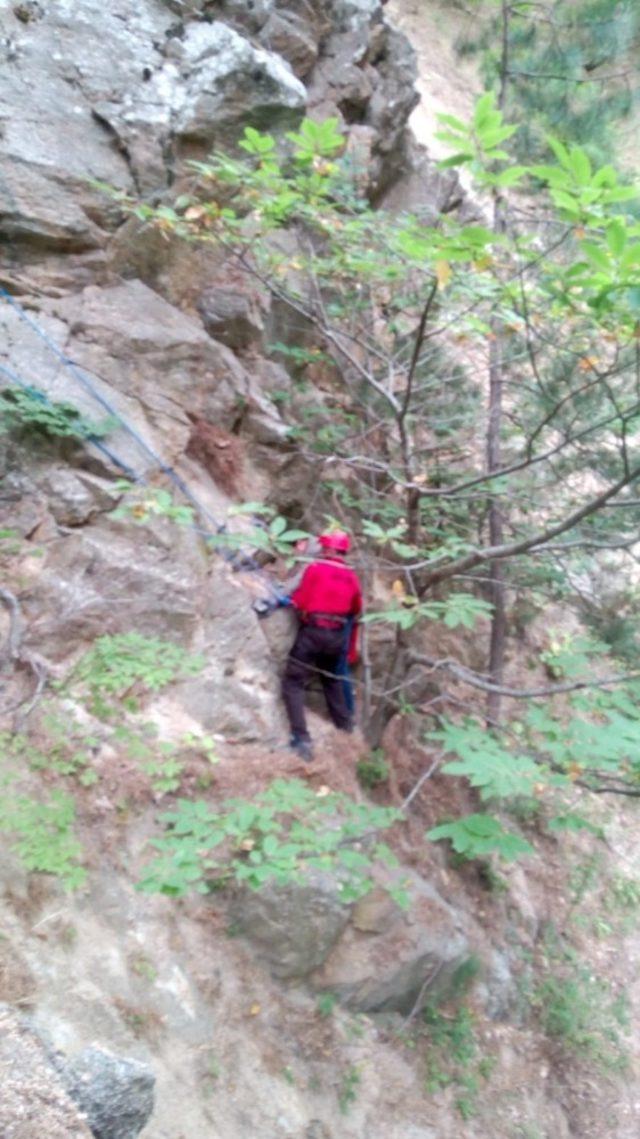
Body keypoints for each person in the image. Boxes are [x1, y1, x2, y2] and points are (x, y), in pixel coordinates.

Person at [281, 531, 362, 762]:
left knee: (293, 682)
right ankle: (345, 726)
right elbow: (356, 609)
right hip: (337, 637)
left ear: (331, 550)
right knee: (332, 680)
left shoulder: (316, 569)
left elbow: (301, 600)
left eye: (325, 547)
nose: (323, 550)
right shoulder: (352, 577)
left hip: (314, 632)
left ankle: (301, 738)